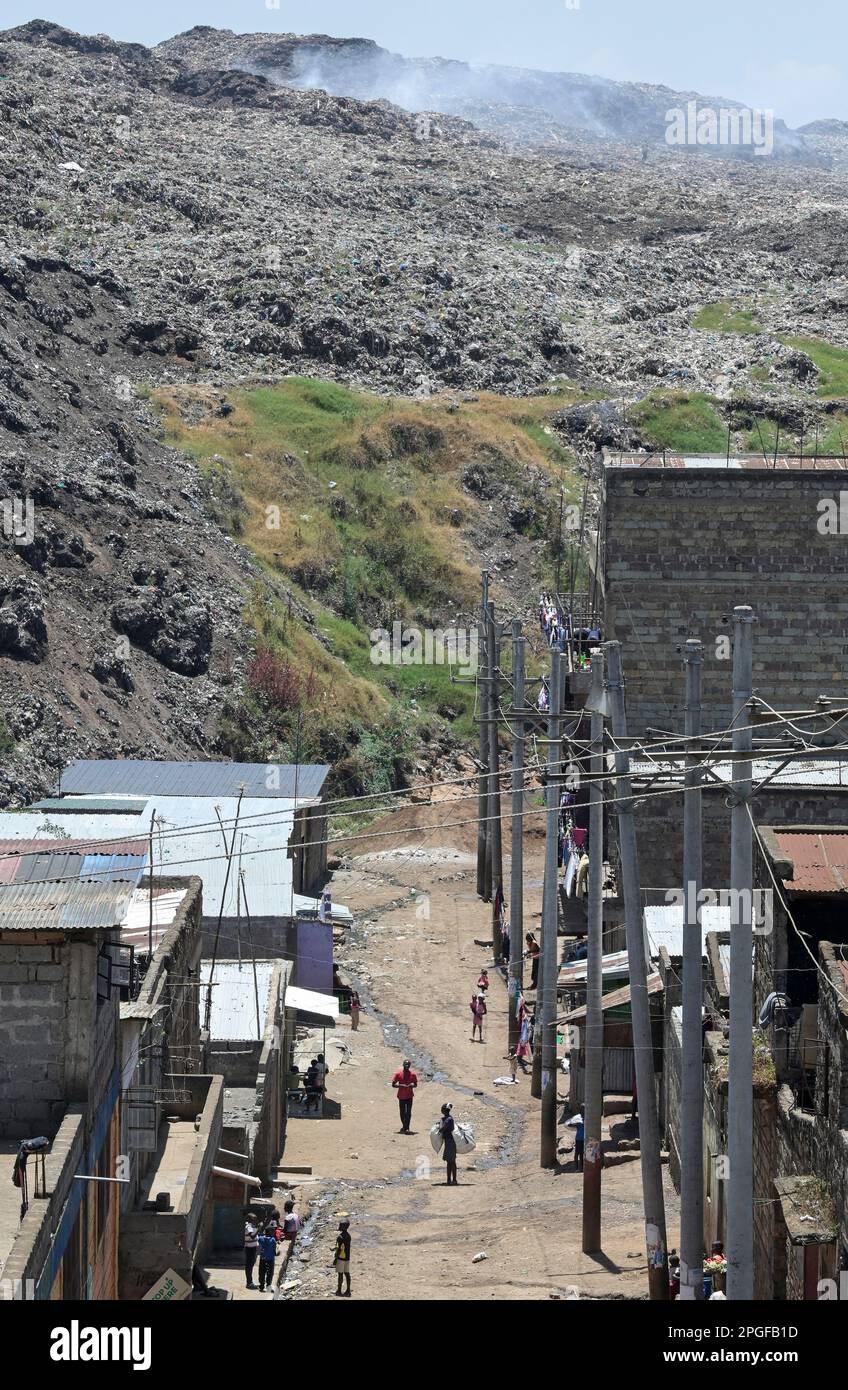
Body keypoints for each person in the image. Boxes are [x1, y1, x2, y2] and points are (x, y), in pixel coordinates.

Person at [391, 1059, 418, 1133]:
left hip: (409, 1096)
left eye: (408, 1065)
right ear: (403, 1065)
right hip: (401, 1096)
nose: (407, 1066)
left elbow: (415, 1084)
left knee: (408, 1112)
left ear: (410, 1066)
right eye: (406, 1064)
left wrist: (412, 1085)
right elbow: (393, 1085)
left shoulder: (413, 1075)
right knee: (402, 1112)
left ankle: (407, 1128)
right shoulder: (398, 1074)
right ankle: (404, 1126)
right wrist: (400, 1085)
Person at [439, 1102, 458, 1185]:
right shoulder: (448, 1118)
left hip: (450, 1142)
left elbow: (443, 1128)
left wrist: (440, 1128)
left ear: (444, 1110)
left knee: (452, 1161)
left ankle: (453, 1180)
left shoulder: (449, 1119)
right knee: (449, 1162)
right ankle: (449, 1180)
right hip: (449, 1141)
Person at [333, 1220, 352, 1296]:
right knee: (347, 1274)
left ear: (343, 1227)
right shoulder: (349, 1236)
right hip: (347, 1258)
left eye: (340, 1225)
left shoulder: (339, 1237)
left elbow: (339, 1249)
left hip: (341, 1258)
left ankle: (339, 1290)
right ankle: (348, 1291)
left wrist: (335, 1258)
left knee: (340, 1275)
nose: (339, 1226)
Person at [257, 1227, 278, 1292]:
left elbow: (258, 1238)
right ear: (271, 1232)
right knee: (270, 1273)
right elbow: (275, 1250)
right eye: (273, 1231)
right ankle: (268, 1286)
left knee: (261, 1272)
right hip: (270, 1259)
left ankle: (261, 1286)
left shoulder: (261, 1238)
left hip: (263, 1258)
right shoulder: (273, 1240)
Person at [244, 1216, 260, 1289]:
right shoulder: (248, 1226)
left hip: (252, 1248)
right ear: (249, 1219)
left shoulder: (252, 1226)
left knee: (251, 1264)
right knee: (249, 1265)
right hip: (249, 1248)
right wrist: (259, 1229)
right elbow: (252, 1236)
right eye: (254, 1219)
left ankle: (250, 1282)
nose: (255, 1220)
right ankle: (249, 1283)